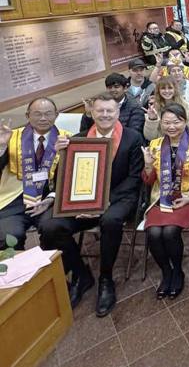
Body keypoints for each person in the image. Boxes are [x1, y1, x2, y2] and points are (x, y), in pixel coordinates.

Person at [39, 92, 145, 316]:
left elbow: (134, 178)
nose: (105, 114)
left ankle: (106, 278)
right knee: (48, 225)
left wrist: (103, 202)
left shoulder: (133, 138)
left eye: (110, 110)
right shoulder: (77, 139)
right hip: (82, 199)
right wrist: (60, 155)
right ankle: (80, 274)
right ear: (91, 112)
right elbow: (63, 179)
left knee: (111, 220)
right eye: (100, 110)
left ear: (118, 112)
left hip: (118, 197)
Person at [141, 103, 189, 299]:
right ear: (161, 124)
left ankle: (178, 272)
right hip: (161, 198)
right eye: (167, 122)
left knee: (170, 231)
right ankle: (166, 272)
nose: (171, 127)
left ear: (185, 122)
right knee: (153, 233)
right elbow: (148, 181)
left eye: (176, 122)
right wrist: (148, 165)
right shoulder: (155, 145)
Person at [0, 99, 70, 248]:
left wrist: (51, 198)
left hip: (49, 199)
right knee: (8, 237)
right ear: (28, 116)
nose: (43, 118)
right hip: (16, 200)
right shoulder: (11, 137)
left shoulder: (66, 139)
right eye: (37, 114)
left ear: (56, 115)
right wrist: (1, 147)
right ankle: (20, 264)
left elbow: (69, 178)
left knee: (54, 230)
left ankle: (53, 262)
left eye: (48, 114)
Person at [80, 73, 145, 134]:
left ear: (125, 88)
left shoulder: (135, 107)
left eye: (116, 87)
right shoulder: (100, 105)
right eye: (109, 87)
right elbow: (84, 132)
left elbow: (134, 134)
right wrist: (89, 114)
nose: (112, 90)